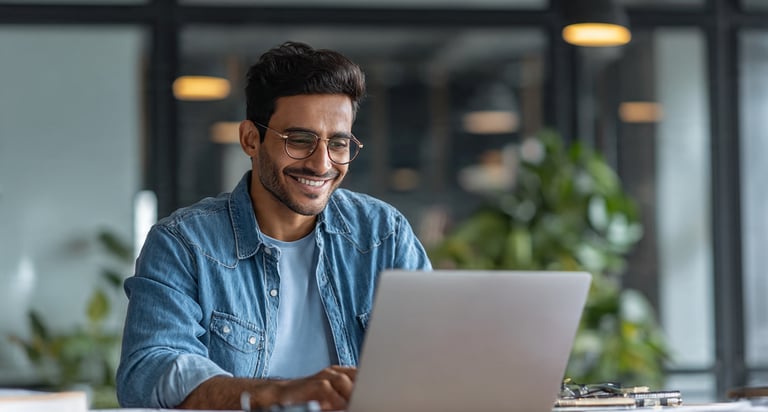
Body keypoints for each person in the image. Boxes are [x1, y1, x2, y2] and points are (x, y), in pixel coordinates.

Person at [116, 41, 432, 411]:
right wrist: (274, 394)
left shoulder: (384, 234)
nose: (321, 164)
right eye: (300, 140)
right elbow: (148, 370)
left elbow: (433, 355)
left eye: (339, 143)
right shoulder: (184, 243)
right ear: (251, 139)